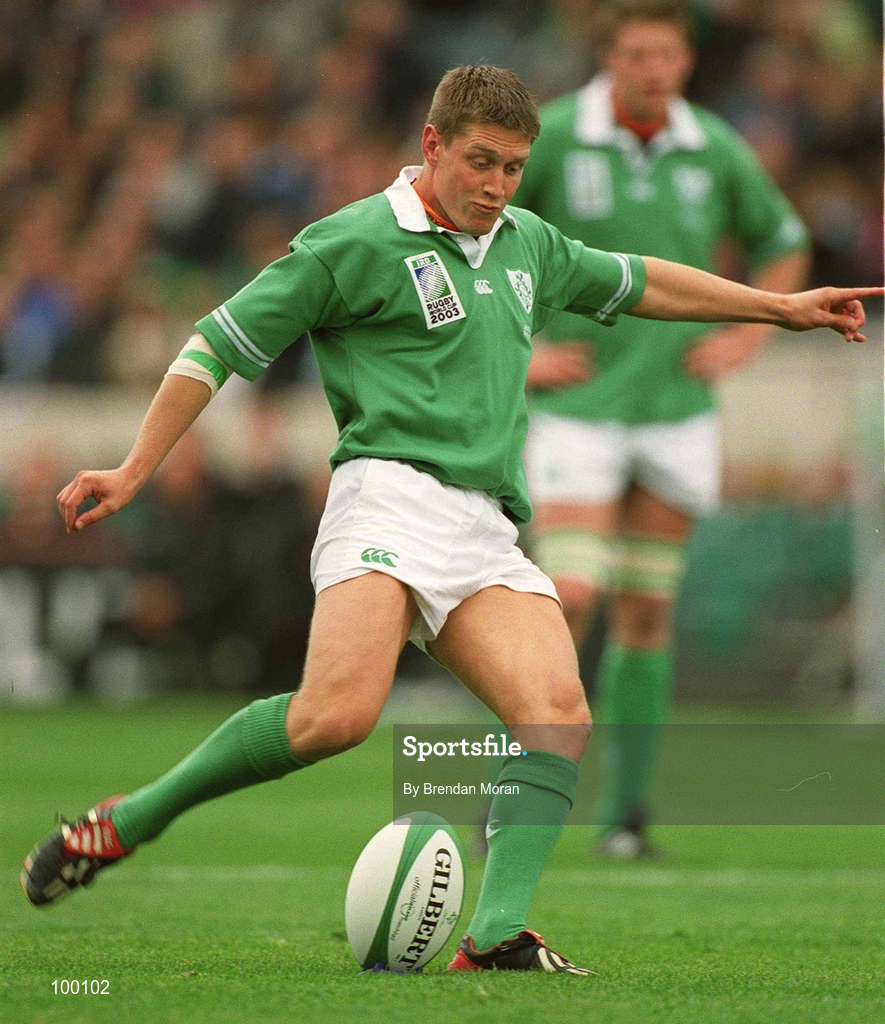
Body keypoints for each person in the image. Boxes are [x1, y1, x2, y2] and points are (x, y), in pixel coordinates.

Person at [21, 65, 876, 974]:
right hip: (387, 497)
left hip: (484, 524)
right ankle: (125, 822)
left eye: (513, 168)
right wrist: (136, 467)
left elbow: (637, 282)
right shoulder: (351, 240)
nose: (497, 186)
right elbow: (216, 344)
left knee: (555, 713)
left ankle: (495, 935)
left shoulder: (527, 242)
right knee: (334, 719)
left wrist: (776, 308)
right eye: (480, 162)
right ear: (432, 145)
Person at [513, 0, 812, 858]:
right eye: (636, 54)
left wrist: (745, 339)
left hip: (674, 411)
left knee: (645, 613)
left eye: (666, 55)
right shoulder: (555, 135)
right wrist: (520, 349)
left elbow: (782, 240)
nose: (652, 70)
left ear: (685, 62)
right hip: (578, 409)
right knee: (568, 598)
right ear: (608, 59)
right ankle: (520, 799)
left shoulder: (710, 144)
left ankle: (626, 818)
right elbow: (478, 235)